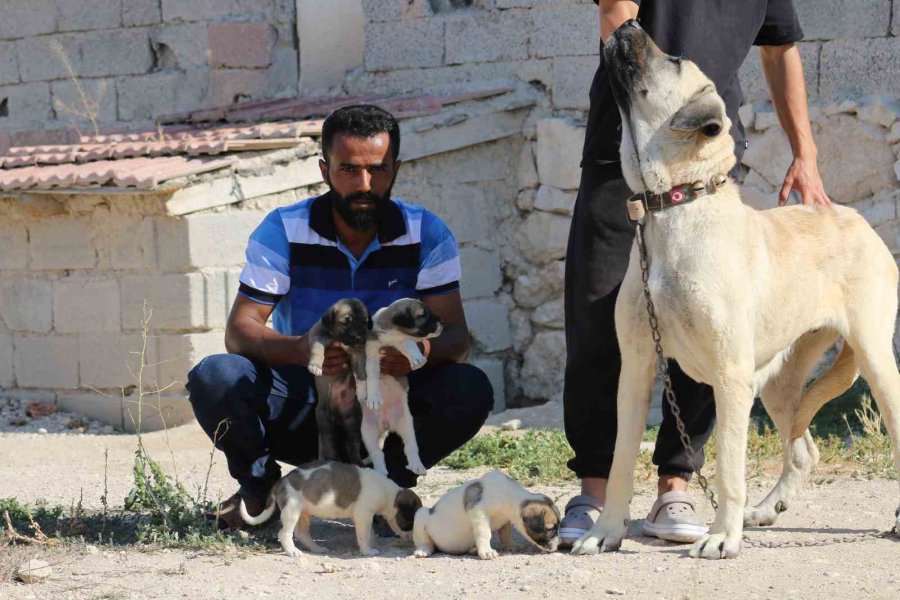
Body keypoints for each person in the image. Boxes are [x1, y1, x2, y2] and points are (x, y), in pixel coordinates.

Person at [560, 0, 832, 547]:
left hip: (704, 150)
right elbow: (617, 15)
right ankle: (596, 492)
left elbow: (780, 50)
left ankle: (675, 483)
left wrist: (806, 153)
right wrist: (634, 87)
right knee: (598, 321)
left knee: (712, 326)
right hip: (629, 158)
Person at [187, 104, 494, 530]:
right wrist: (303, 349)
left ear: (396, 169)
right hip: (306, 406)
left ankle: (383, 488)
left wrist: (414, 355)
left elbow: (456, 337)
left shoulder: (426, 232)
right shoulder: (285, 229)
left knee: (470, 388)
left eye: (377, 169)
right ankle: (262, 491)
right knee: (216, 376)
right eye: (348, 169)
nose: (364, 184)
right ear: (324, 169)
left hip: (386, 405)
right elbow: (241, 331)